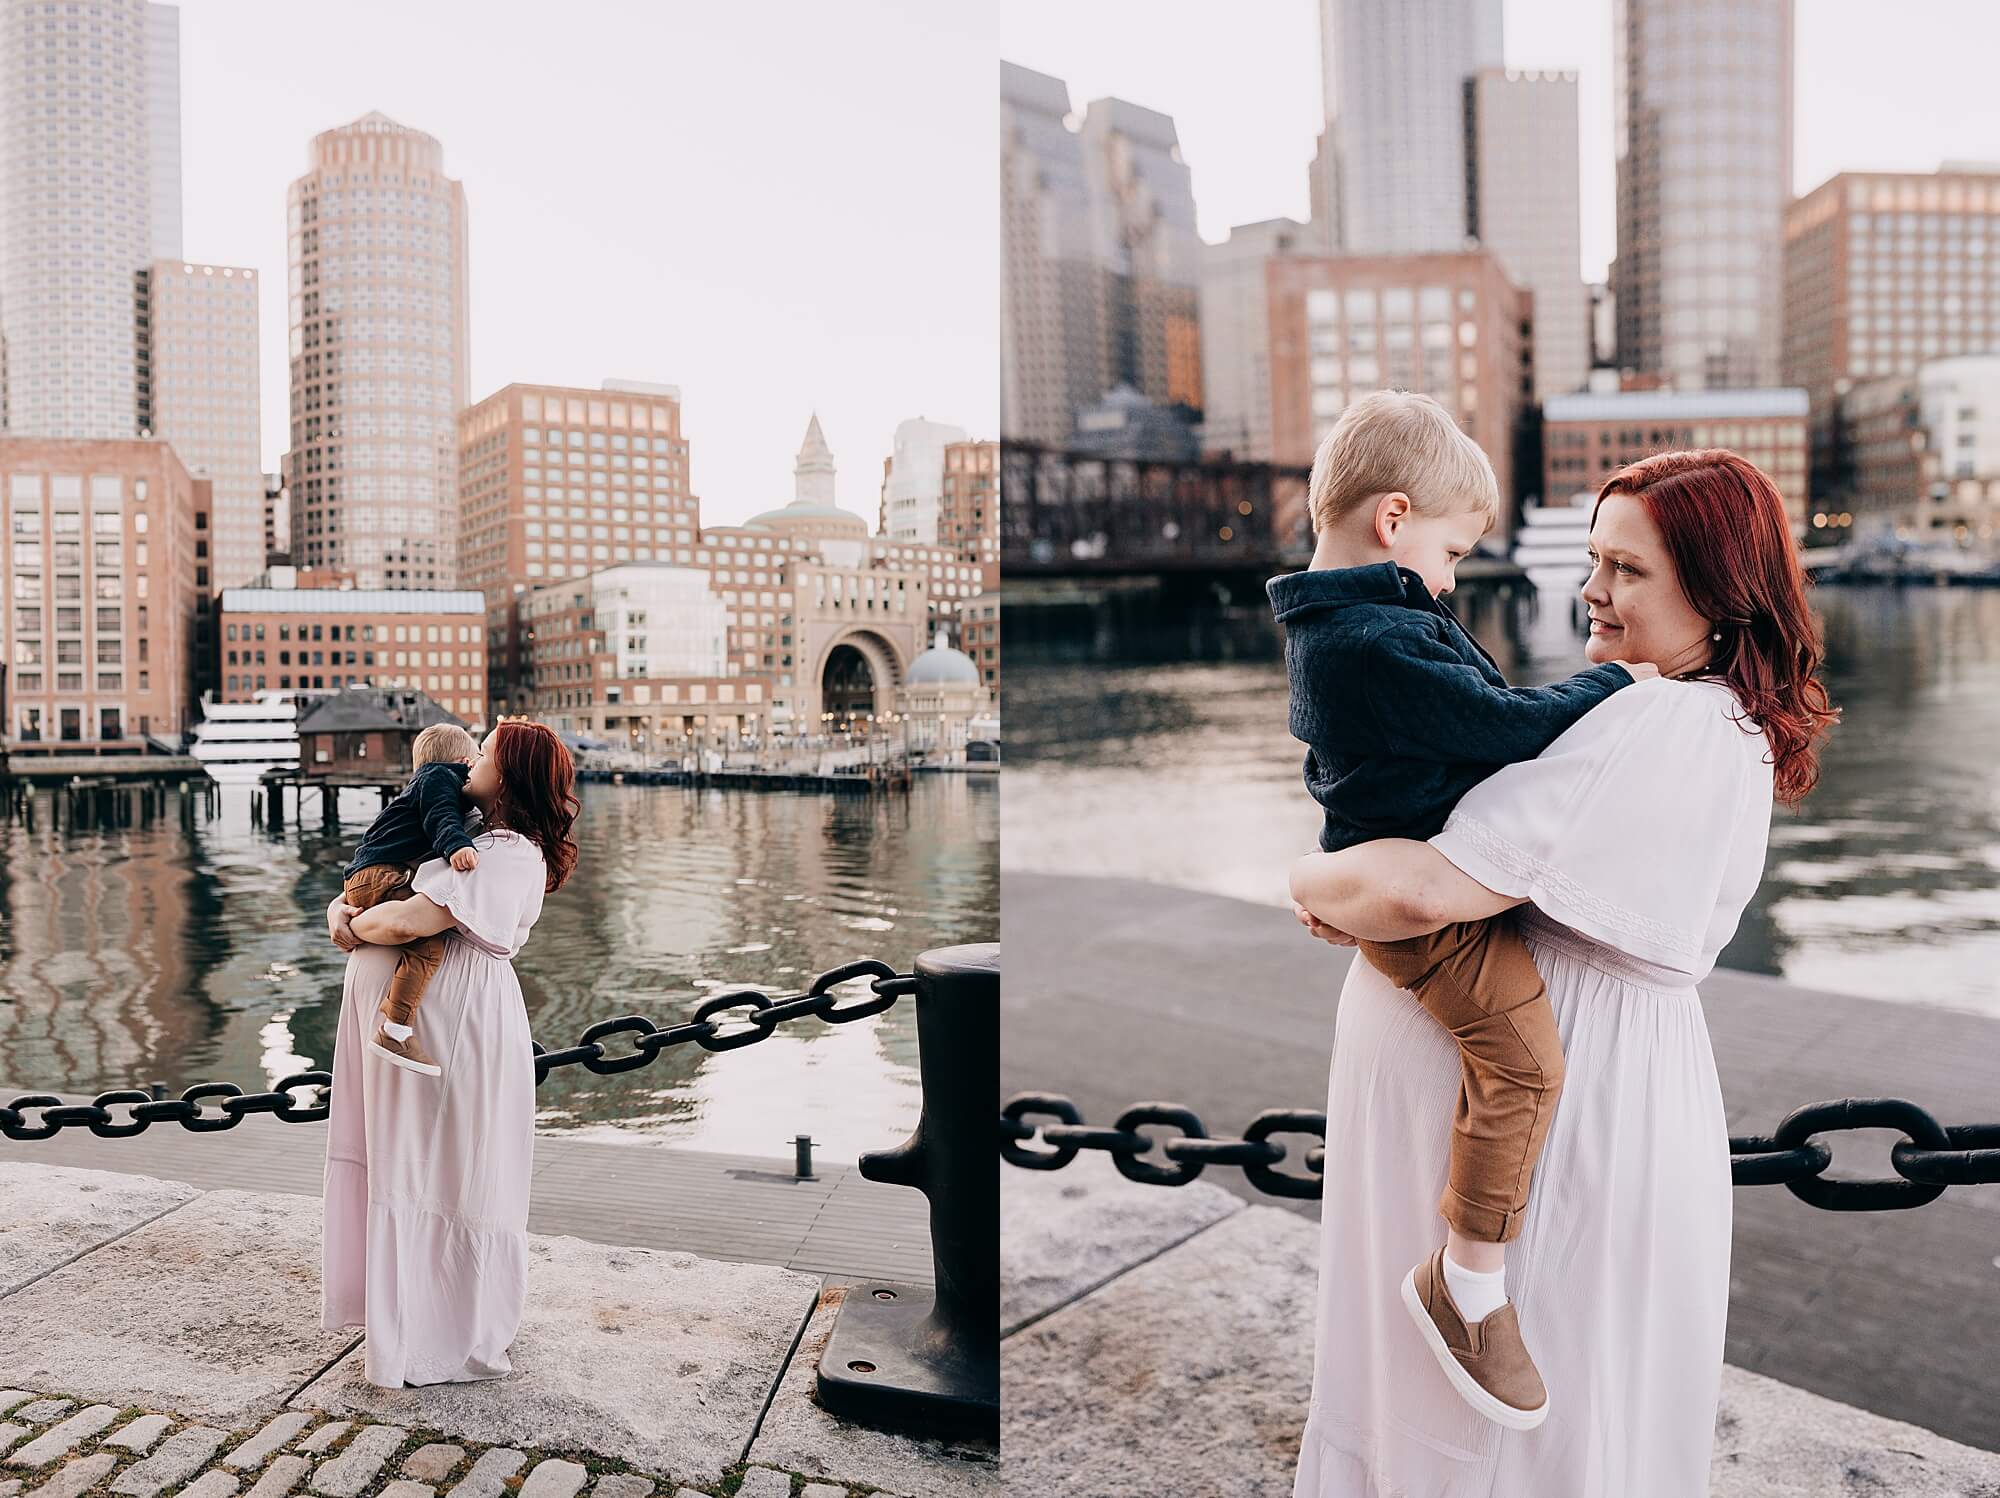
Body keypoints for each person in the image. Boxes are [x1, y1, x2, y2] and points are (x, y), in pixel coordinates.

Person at [1287, 448, 1836, 1496]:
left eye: (1625, 571)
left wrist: (1303, 872)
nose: (1591, 590)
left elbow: (1417, 893)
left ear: (1719, 599)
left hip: (1563, 1122)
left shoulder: (1653, 719)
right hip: (1615, 1085)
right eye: (1593, 560)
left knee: (1480, 1440)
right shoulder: (1717, 721)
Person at [1266, 390, 1655, 1429]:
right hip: (1429, 912)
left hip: (1410, 876)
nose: (1451, 573)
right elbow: (1496, 727)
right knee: (1523, 1064)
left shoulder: (1359, 621)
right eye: (1450, 548)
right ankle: (1467, 1279)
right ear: (1392, 521)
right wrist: (1611, 681)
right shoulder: (1369, 637)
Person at [319, 717, 580, 1388]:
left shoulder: (512, 851)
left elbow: (410, 919)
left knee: (438, 1169)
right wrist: (343, 909)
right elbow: (387, 882)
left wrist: (351, 925)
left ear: (511, 776)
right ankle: (400, 1320)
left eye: (487, 754)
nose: (473, 763)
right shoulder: (464, 829)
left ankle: (440, 1333)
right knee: (403, 1163)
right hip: (420, 1023)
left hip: (453, 1024)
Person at [338, 721, 484, 1078]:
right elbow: (441, 817)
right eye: (477, 761)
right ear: (464, 762)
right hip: (382, 873)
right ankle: (396, 1030)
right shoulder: (440, 779)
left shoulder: (423, 781)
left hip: (365, 876)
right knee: (428, 947)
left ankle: (397, 1030)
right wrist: (457, 845)